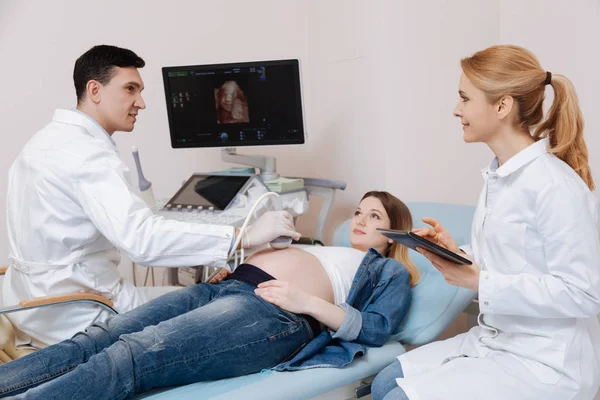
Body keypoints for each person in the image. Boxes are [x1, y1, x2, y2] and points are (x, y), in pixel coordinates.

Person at [2, 44, 299, 349]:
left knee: (197, 292)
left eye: (140, 91)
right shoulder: (86, 154)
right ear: (94, 90)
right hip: (80, 315)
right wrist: (244, 235)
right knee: (222, 309)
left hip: (29, 309)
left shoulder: (43, 142)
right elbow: (141, 240)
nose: (140, 103)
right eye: (130, 89)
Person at [0, 191, 416, 399]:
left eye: (374, 216)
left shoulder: (387, 270)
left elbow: (375, 330)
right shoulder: (322, 245)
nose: (360, 220)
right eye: (359, 211)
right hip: (223, 288)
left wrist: (305, 302)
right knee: (99, 337)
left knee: (131, 354)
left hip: (270, 313)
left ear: (395, 230)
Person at [372, 45, 600, 400]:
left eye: (464, 98)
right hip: (497, 340)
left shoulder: (555, 185)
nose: (456, 110)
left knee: (399, 396)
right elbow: (513, 255)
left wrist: (481, 281)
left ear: (502, 106)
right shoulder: (500, 176)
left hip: (546, 362)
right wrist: (457, 252)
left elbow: (584, 293)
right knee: (384, 382)